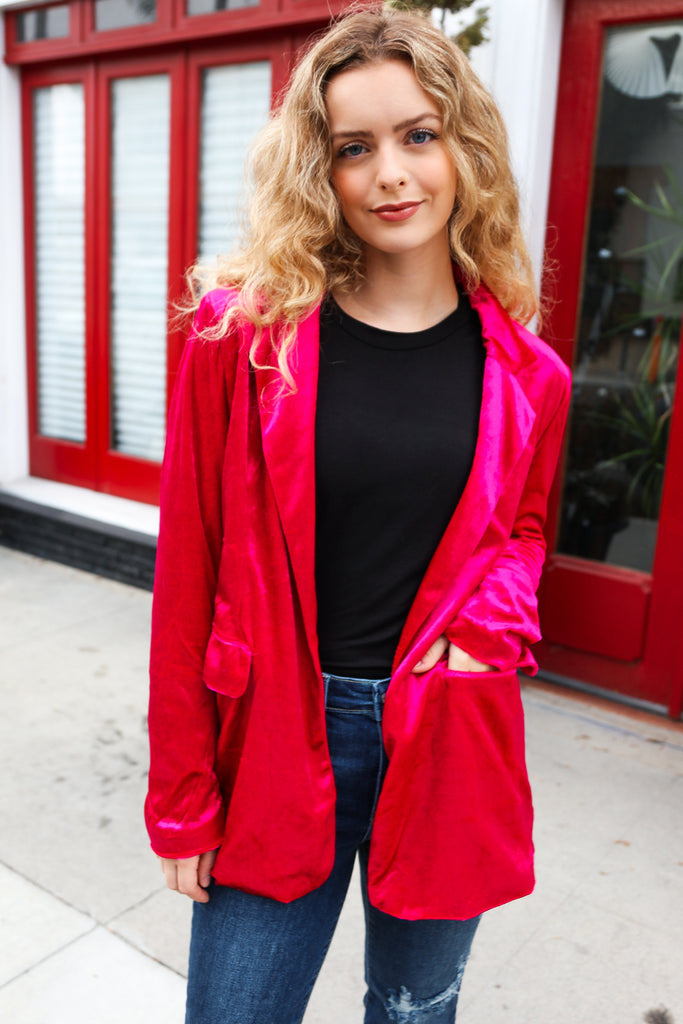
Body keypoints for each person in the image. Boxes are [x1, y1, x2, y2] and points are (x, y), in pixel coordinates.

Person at [145, 6, 571, 1023]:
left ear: (460, 150)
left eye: (418, 135)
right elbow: (187, 572)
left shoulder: (528, 375)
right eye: (354, 147)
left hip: (448, 736)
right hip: (277, 741)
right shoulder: (242, 343)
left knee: (411, 1013)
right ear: (318, 171)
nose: (392, 173)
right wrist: (181, 799)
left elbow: (523, 529)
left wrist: (479, 638)